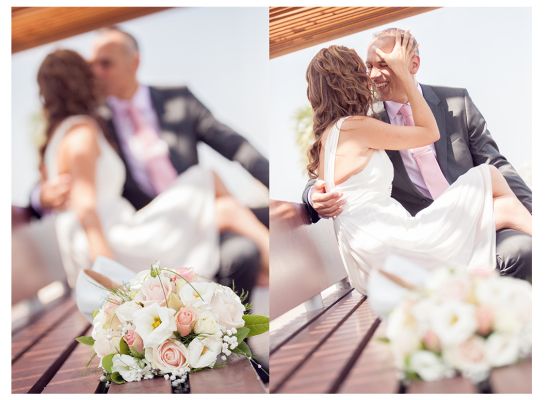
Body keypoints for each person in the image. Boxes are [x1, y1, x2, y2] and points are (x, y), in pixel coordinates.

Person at [30, 27, 269, 292]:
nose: (97, 73)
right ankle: (271, 275)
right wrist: (41, 196)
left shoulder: (177, 99)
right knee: (216, 192)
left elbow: (237, 147)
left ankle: (267, 275)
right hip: (123, 237)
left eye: (105, 64)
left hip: (148, 226)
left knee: (226, 206)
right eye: (91, 67)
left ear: (134, 63)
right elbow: (78, 199)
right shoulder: (88, 128)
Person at [304, 33, 532, 295]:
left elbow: (498, 161)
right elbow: (429, 133)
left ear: (412, 64)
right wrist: (311, 195)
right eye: (368, 67)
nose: (373, 76)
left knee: (501, 201)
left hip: (383, 244)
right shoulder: (363, 123)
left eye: (385, 64)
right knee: (490, 179)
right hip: (396, 242)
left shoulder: (335, 132)